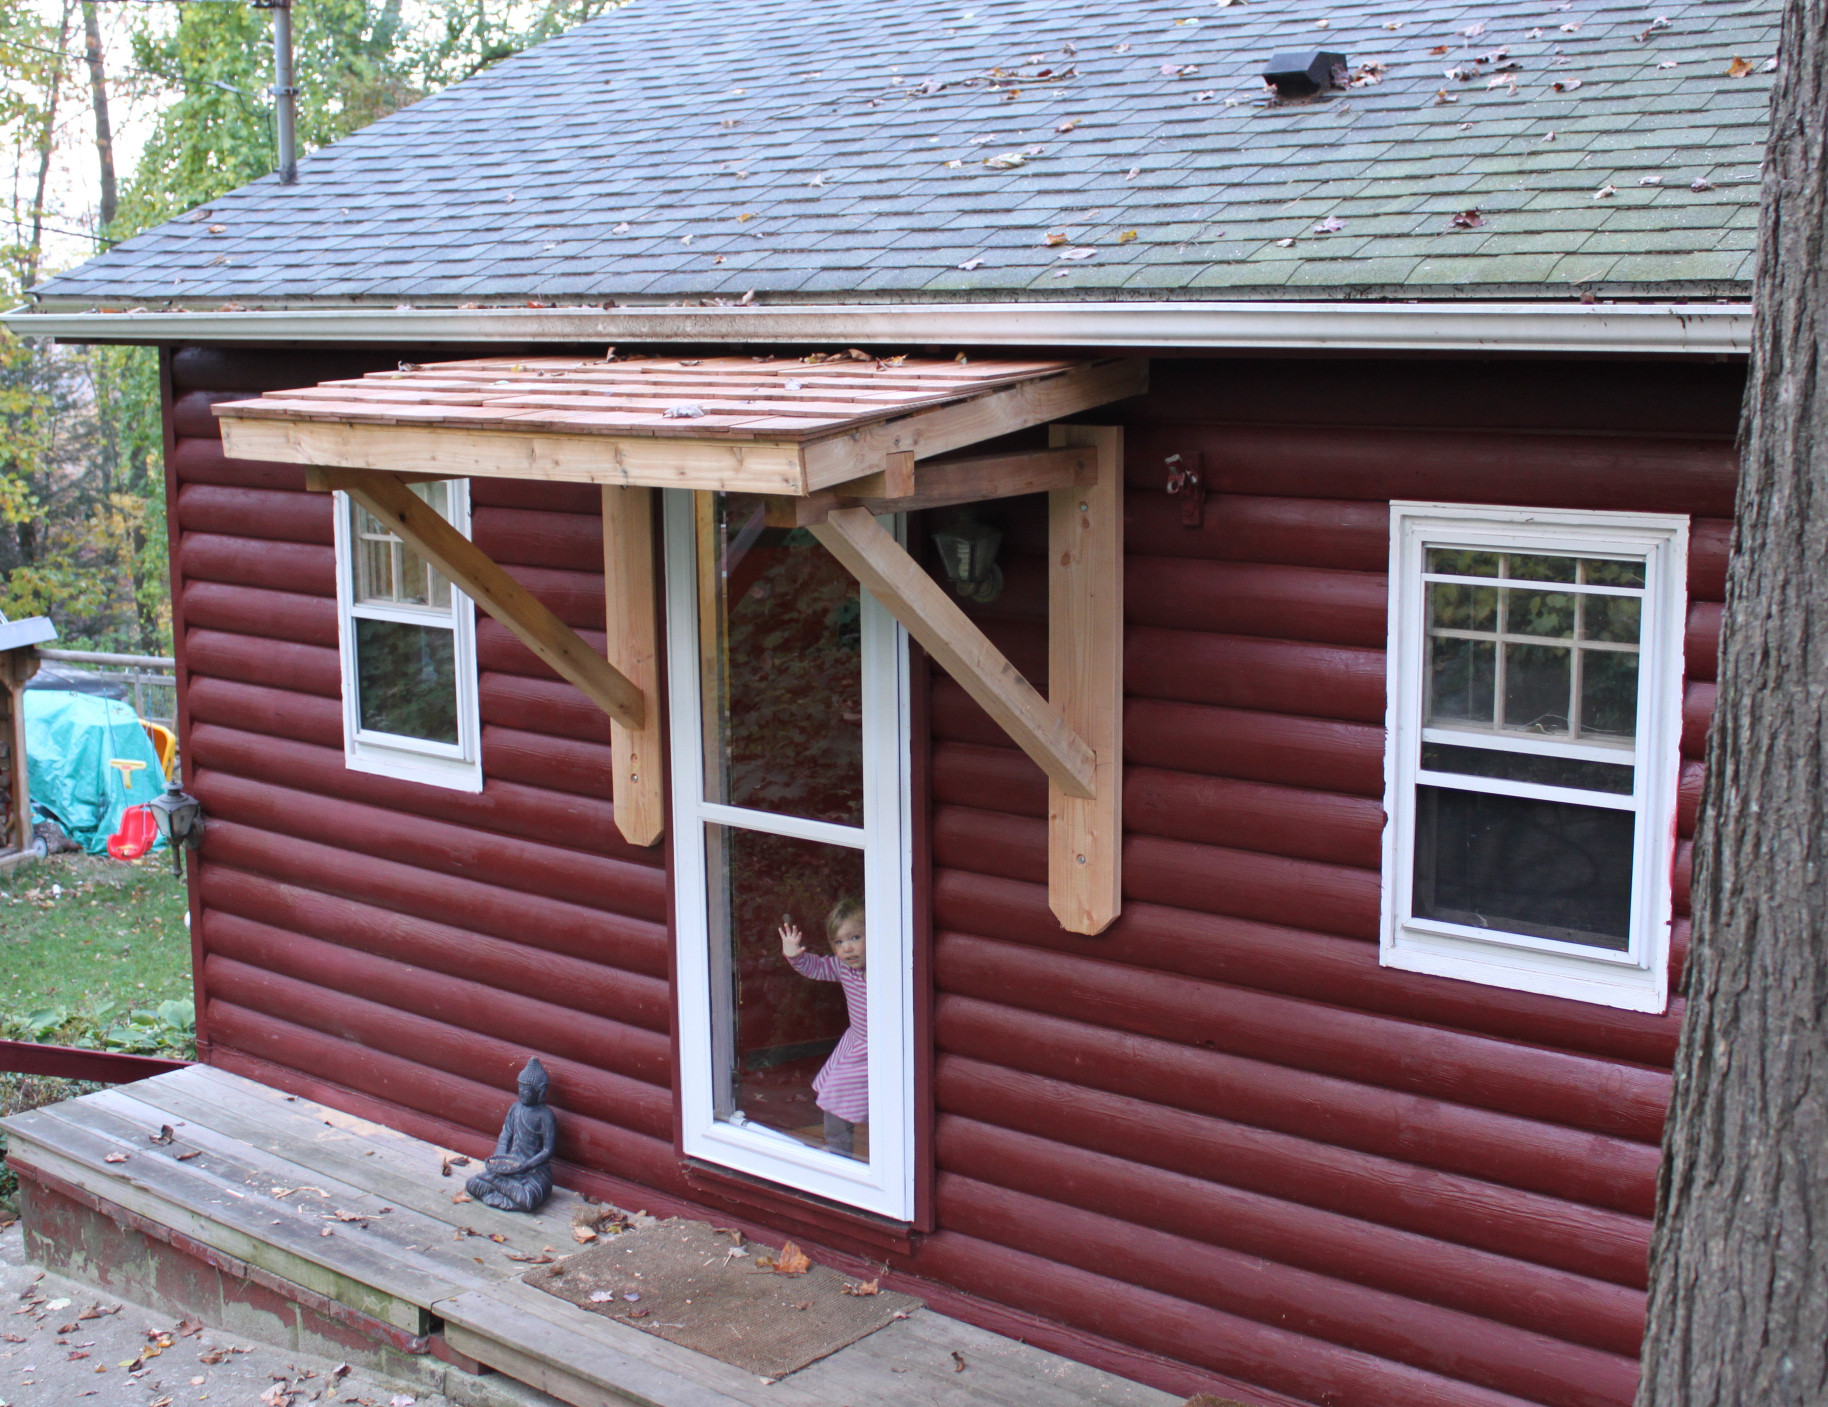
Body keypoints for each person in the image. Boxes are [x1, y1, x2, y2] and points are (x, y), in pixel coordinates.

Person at [778, 897, 867, 1157]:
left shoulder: (888, 969)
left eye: (855, 938)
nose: (847, 949)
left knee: (838, 1097)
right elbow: (815, 967)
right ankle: (839, 1152)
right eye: (839, 942)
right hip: (857, 1043)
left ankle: (840, 1152)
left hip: (879, 1049)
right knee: (834, 1096)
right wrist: (793, 955)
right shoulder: (843, 968)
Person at [465, 1056, 557, 1211]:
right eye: (520, 1088)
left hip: (533, 1171)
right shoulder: (515, 1109)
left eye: (526, 1089)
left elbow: (548, 1150)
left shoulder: (546, 1115)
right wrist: (499, 1162)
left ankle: (497, 1184)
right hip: (510, 1165)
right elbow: (505, 1135)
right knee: (472, 1184)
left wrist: (526, 1165)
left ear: (540, 1090)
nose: (521, 1092)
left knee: (528, 1199)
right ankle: (501, 1184)